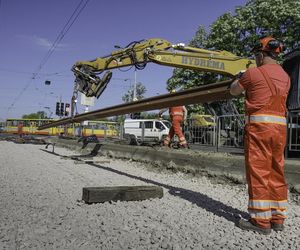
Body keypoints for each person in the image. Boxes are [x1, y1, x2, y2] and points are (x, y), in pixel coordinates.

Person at [230, 36, 290, 235]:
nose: (255, 59)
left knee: (258, 172)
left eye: (256, 56)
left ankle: (260, 221)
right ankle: (277, 218)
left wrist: (238, 78)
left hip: (259, 129)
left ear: (261, 55)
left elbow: (234, 91)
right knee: (276, 171)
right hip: (280, 130)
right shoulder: (285, 76)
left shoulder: (252, 73)